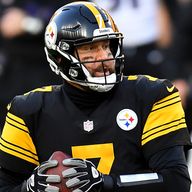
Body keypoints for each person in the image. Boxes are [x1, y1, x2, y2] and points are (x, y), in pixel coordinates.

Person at [0, 1, 191, 192]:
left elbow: (176, 181)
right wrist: (28, 188)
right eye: (90, 48)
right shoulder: (28, 110)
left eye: (107, 45)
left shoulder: (152, 95)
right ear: (59, 56)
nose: (104, 56)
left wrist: (106, 182)